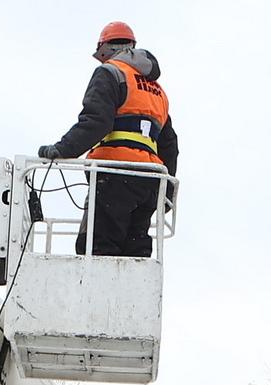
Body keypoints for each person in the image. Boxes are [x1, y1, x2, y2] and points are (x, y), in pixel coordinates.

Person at [35, 20, 177, 258]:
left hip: (114, 176)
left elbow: (96, 122)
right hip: (150, 182)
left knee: (97, 248)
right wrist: (167, 194)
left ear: (106, 49)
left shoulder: (110, 73)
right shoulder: (156, 90)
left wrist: (62, 149)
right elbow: (169, 146)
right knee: (136, 251)